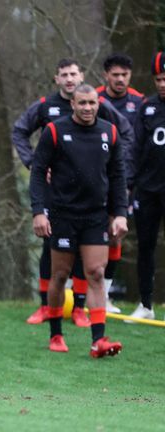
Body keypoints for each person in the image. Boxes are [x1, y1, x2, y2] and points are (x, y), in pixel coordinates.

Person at [12, 58, 134, 325]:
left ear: (81, 77)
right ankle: (46, 306)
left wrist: (110, 163)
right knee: (51, 248)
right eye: (64, 74)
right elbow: (20, 131)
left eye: (73, 74)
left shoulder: (98, 107)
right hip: (57, 194)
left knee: (87, 255)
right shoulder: (45, 107)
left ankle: (79, 307)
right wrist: (33, 163)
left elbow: (124, 133)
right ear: (57, 79)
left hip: (91, 199)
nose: (69, 79)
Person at [30, 84, 128, 357]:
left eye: (92, 103)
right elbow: (38, 172)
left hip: (95, 216)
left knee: (96, 273)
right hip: (63, 214)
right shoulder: (55, 131)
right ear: (72, 104)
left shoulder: (109, 132)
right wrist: (39, 210)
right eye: (82, 103)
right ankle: (56, 333)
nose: (87, 108)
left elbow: (118, 176)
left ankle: (99, 340)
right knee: (60, 275)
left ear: (99, 104)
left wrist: (120, 213)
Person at [95, 53, 145, 313]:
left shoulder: (140, 102)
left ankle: (104, 295)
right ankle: (80, 293)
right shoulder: (93, 99)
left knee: (115, 235)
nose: (120, 79)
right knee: (89, 235)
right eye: (115, 75)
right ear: (106, 75)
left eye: (124, 75)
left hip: (126, 181)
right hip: (94, 179)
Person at [128, 51, 165, 322]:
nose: (162, 84)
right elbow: (135, 148)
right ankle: (145, 304)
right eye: (159, 79)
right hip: (148, 190)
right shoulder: (147, 108)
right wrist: (130, 185)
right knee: (145, 246)